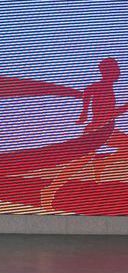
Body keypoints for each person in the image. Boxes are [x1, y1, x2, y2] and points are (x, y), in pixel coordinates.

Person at [41, 57, 128, 210]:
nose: (118, 73)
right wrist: (125, 107)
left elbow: (88, 92)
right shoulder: (102, 88)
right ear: (107, 72)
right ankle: (49, 190)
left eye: (118, 70)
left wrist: (84, 111)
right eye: (115, 70)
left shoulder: (101, 87)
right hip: (98, 132)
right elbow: (107, 113)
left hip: (104, 130)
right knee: (78, 164)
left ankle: (101, 163)